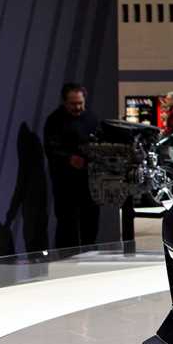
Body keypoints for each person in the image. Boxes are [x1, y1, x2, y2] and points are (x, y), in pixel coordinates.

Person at [43, 83, 101, 249]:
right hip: (65, 183)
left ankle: (90, 256)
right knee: (67, 223)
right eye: (73, 104)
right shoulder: (54, 120)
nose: (78, 107)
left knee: (91, 222)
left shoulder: (91, 118)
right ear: (64, 102)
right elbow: (50, 148)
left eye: (80, 103)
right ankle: (65, 261)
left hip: (88, 181)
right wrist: (69, 158)